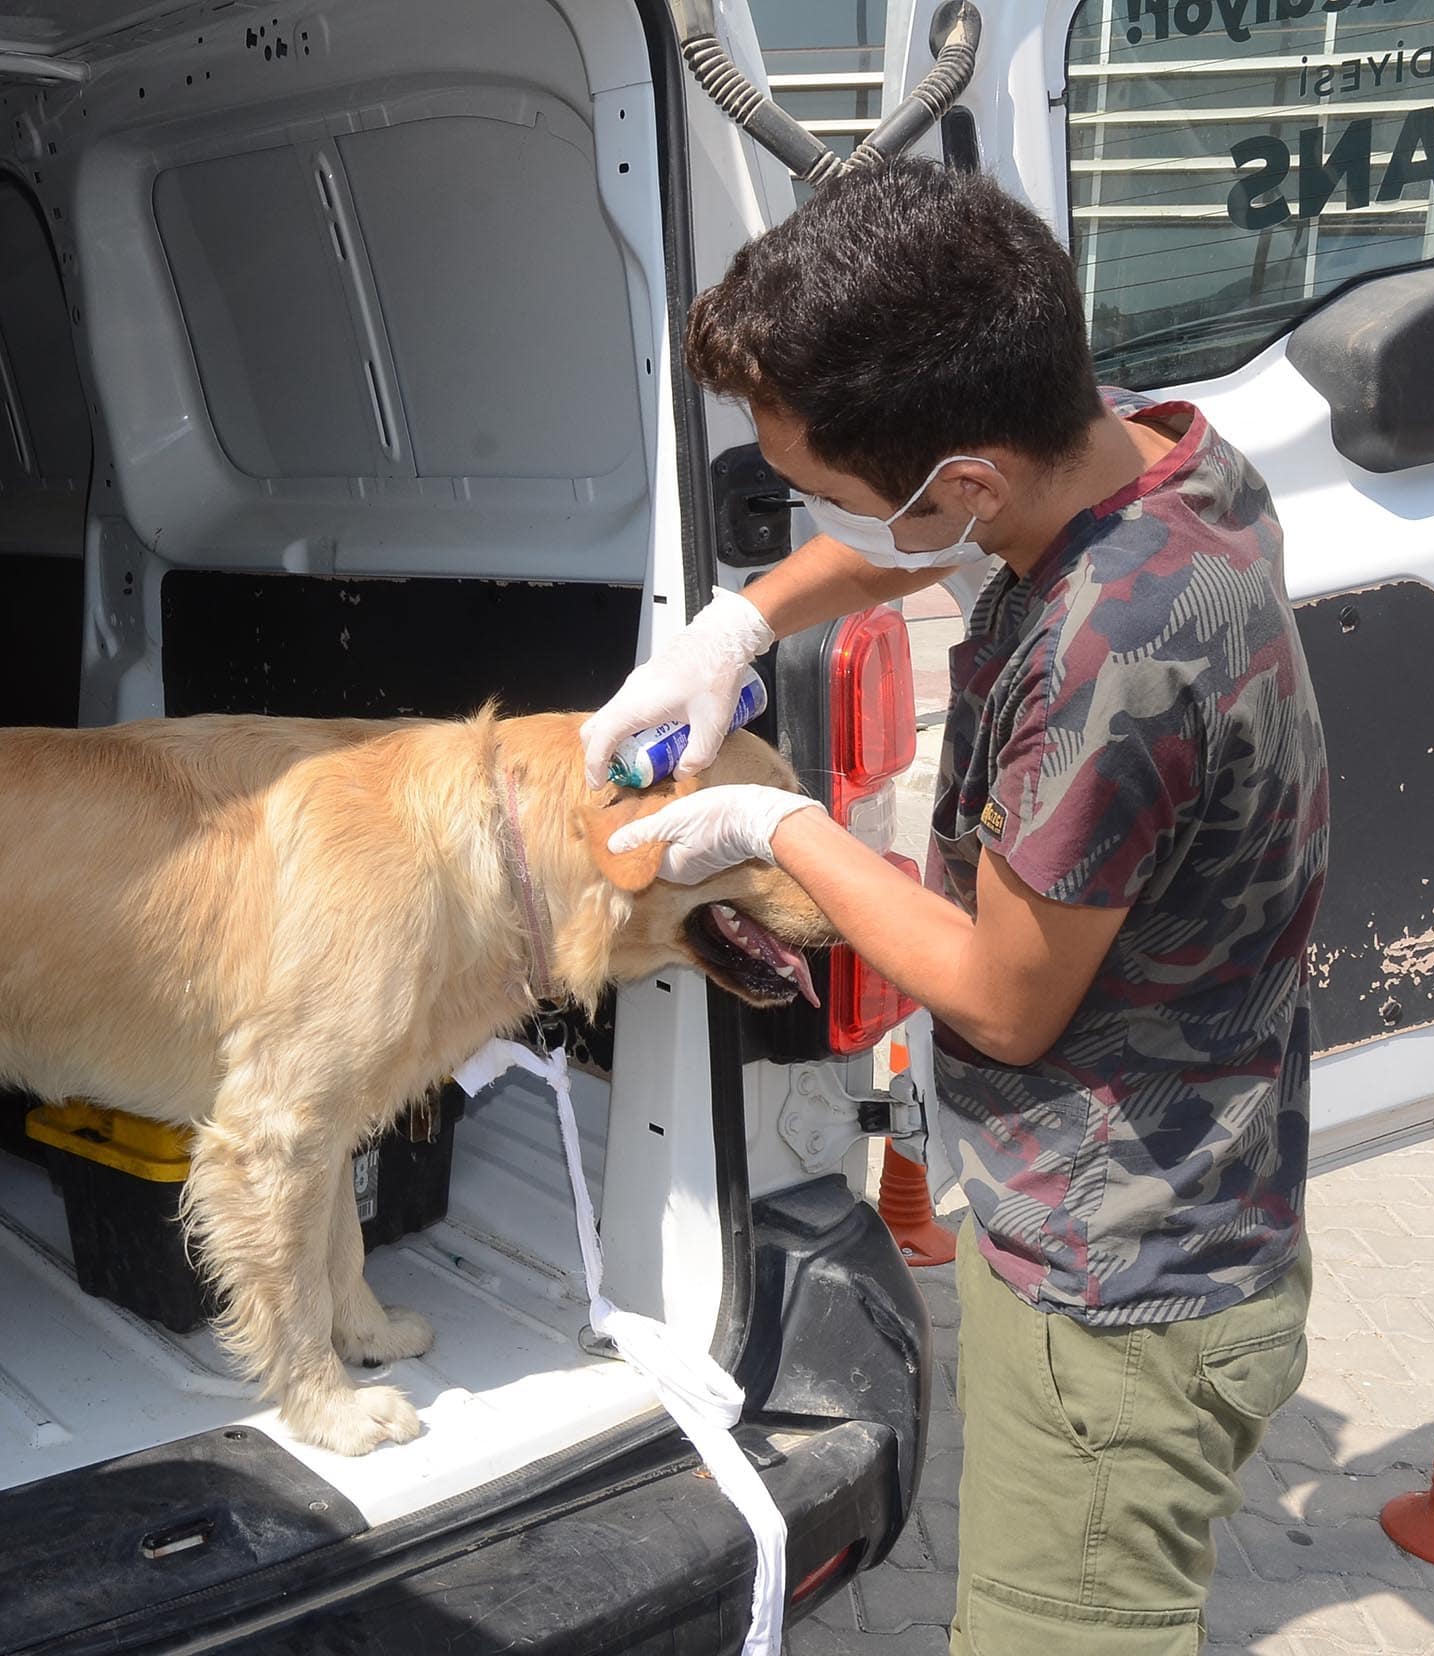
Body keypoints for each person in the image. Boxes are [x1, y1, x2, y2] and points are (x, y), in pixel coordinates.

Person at [582, 161, 1329, 1654]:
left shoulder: (1112, 654)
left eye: (830, 494)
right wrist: (740, 622)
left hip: (1120, 1300)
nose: (822, 521)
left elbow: (1001, 995)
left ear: (970, 482)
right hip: (1184, 1212)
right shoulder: (1154, 458)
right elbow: (911, 531)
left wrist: (776, 826)